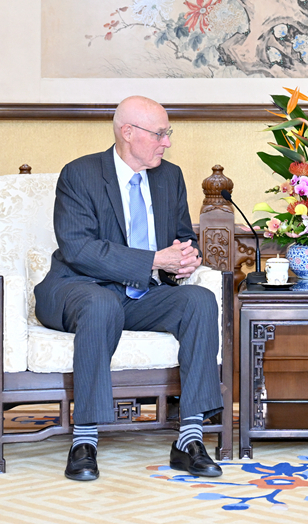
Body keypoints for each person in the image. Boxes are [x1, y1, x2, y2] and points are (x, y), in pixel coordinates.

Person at [34, 95, 223, 482]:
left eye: (167, 133)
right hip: (79, 288)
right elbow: (79, 248)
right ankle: (84, 438)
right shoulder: (80, 174)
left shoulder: (169, 177)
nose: (166, 142)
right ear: (128, 133)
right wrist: (154, 260)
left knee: (199, 301)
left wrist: (186, 259)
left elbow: (184, 238)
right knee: (102, 304)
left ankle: (189, 437)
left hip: (141, 294)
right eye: (160, 134)